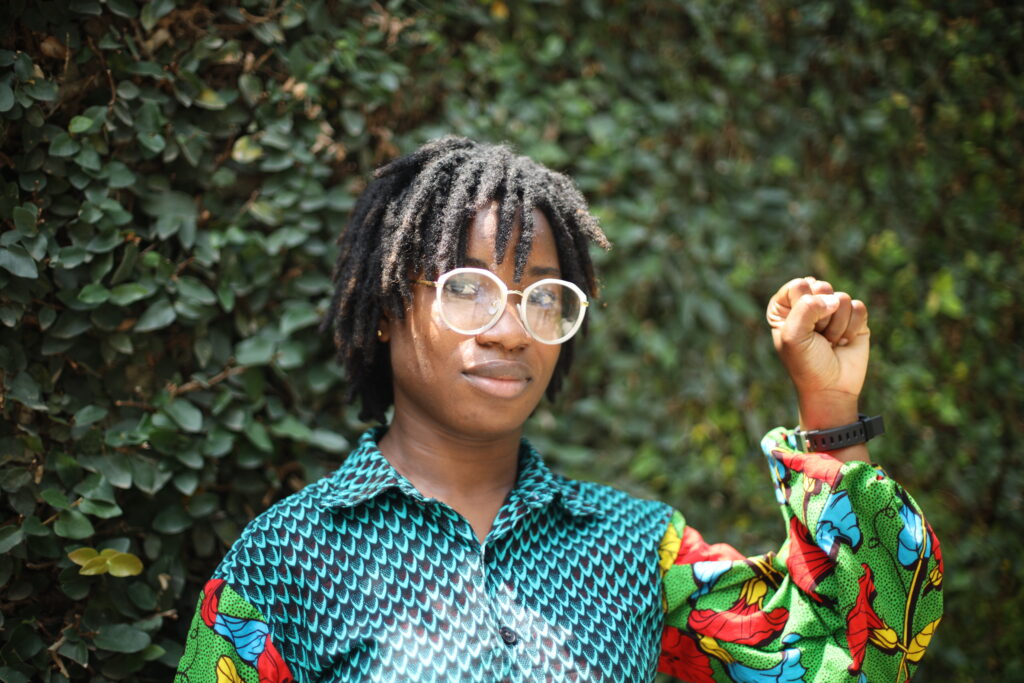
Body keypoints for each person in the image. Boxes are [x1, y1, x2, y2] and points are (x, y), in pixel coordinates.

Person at [174, 137, 942, 682]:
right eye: (466, 287)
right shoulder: (289, 560)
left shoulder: (640, 551)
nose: (510, 329)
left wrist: (831, 407)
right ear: (384, 307)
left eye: (543, 296)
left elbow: (851, 659)